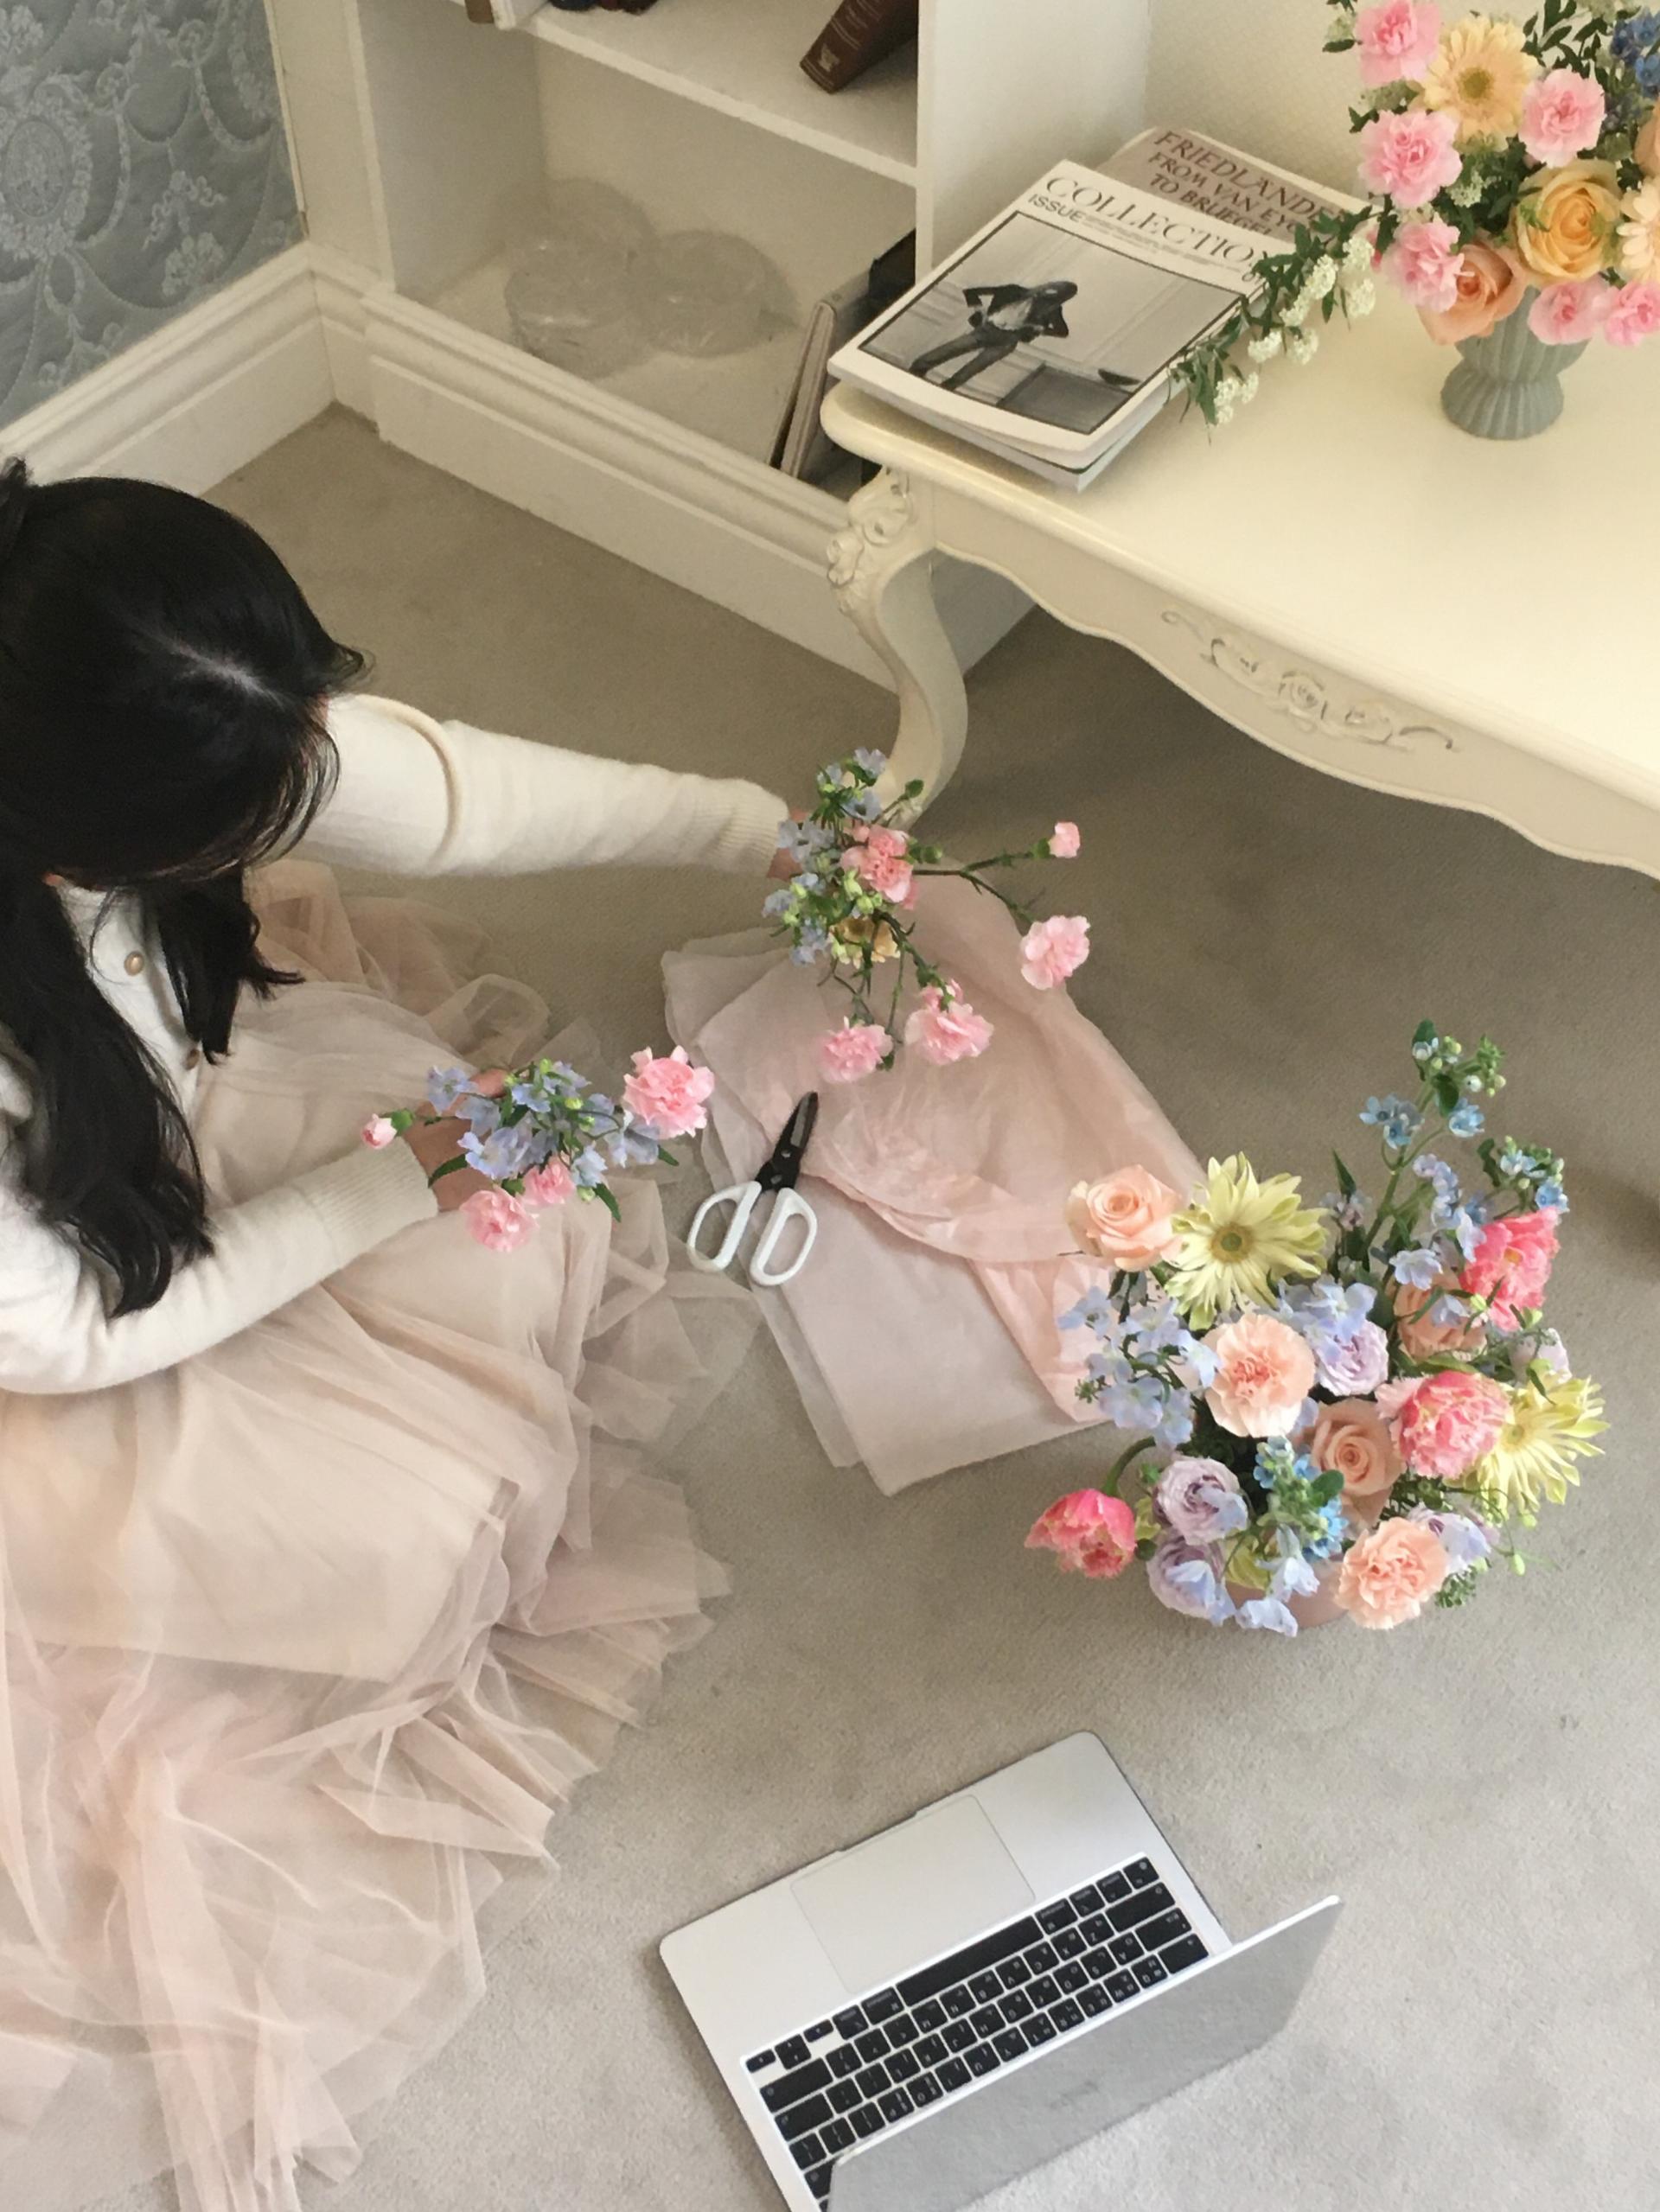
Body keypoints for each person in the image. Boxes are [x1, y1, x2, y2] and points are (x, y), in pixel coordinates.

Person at [0, 460, 786, 2212]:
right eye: (247, 814)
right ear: (76, 845)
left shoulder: (69, 662)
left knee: (528, 1215)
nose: (306, 794)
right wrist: (394, 1182)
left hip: (128, 1134)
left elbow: (442, 796)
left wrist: (751, 822)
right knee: (396, 1537)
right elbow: (77, 1338)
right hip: (51, 1332)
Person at [907, 277, 1078, 389]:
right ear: (1047, 285)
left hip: (1007, 341)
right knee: (949, 350)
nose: (1046, 293)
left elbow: (1062, 332)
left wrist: (1041, 330)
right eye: (1051, 288)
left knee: (971, 370)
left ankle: (945, 390)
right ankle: (915, 373)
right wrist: (979, 310)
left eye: (1055, 294)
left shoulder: (1052, 309)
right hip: (987, 329)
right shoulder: (1012, 290)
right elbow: (971, 292)